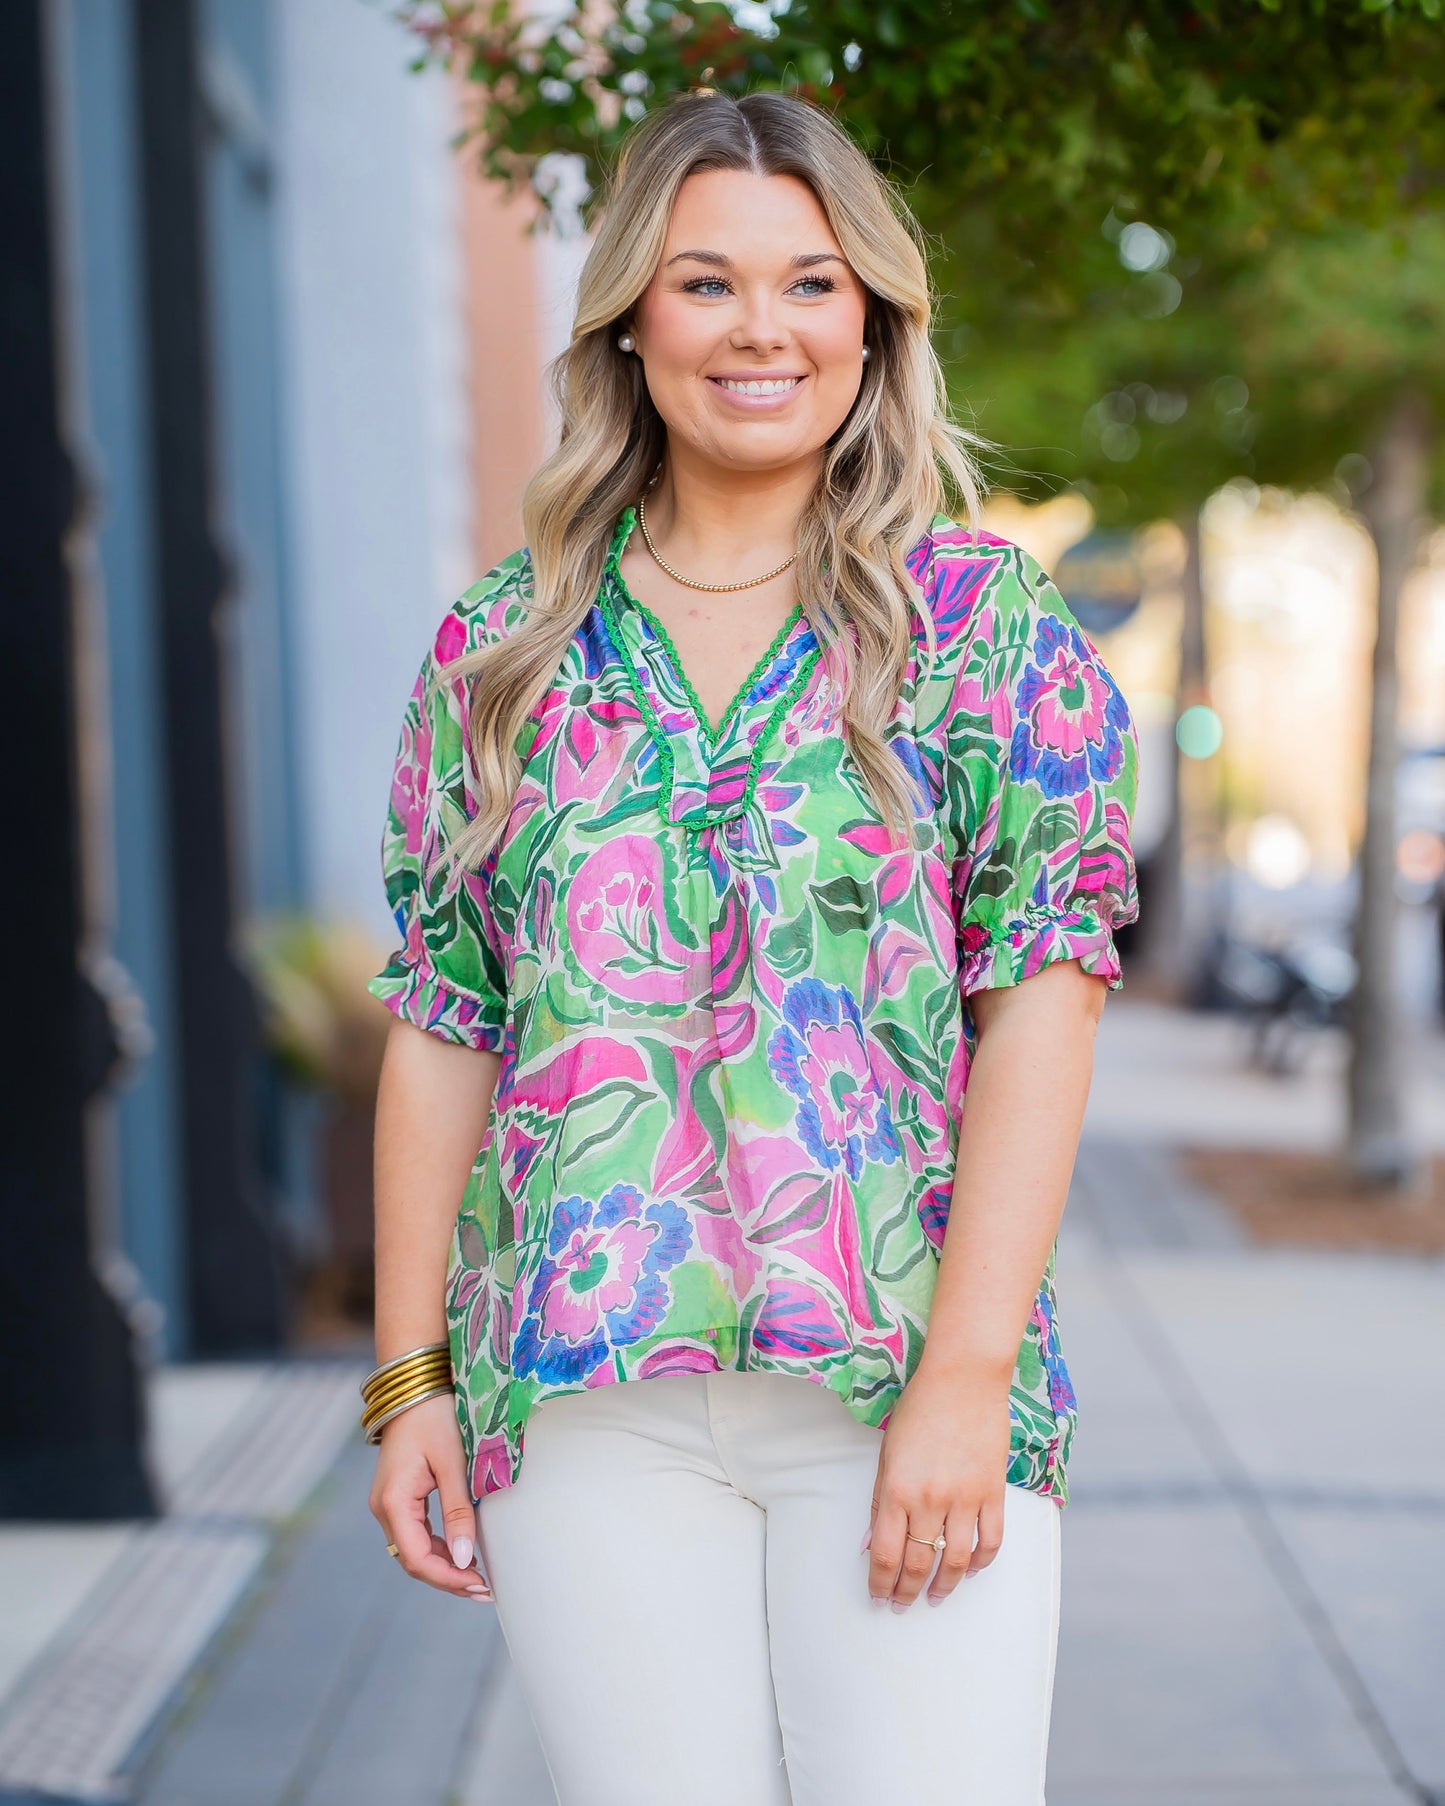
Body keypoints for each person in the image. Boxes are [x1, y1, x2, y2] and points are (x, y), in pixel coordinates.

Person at [364, 88, 1139, 1806]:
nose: (759, 328)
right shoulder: (504, 649)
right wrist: (410, 1377)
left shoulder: (977, 626)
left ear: (870, 321)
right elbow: (441, 1015)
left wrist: (967, 1378)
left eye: (808, 282)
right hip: (582, 1407)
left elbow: (1045, 999)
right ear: (629, 322)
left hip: (898, 1382)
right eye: (704, 282)